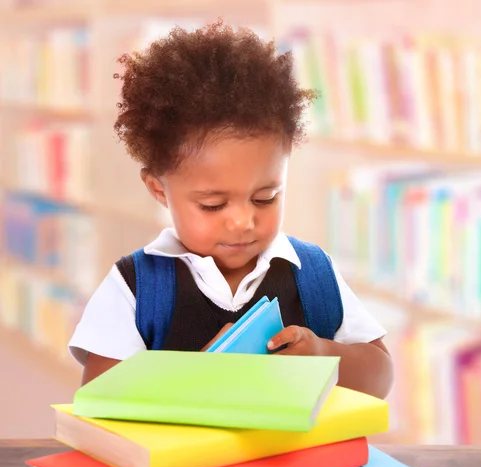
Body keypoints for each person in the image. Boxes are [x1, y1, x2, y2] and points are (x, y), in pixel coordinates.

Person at [68, 20, 393, 398]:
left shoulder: (313, 273)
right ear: (159, 189)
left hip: (299, 458)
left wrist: (326, 354)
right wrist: (196, 376)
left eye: (265, 198)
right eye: (213, 205)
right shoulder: (137, 287)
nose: (243, 221)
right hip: (186, 460)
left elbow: (381, 378)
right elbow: (98, 398)